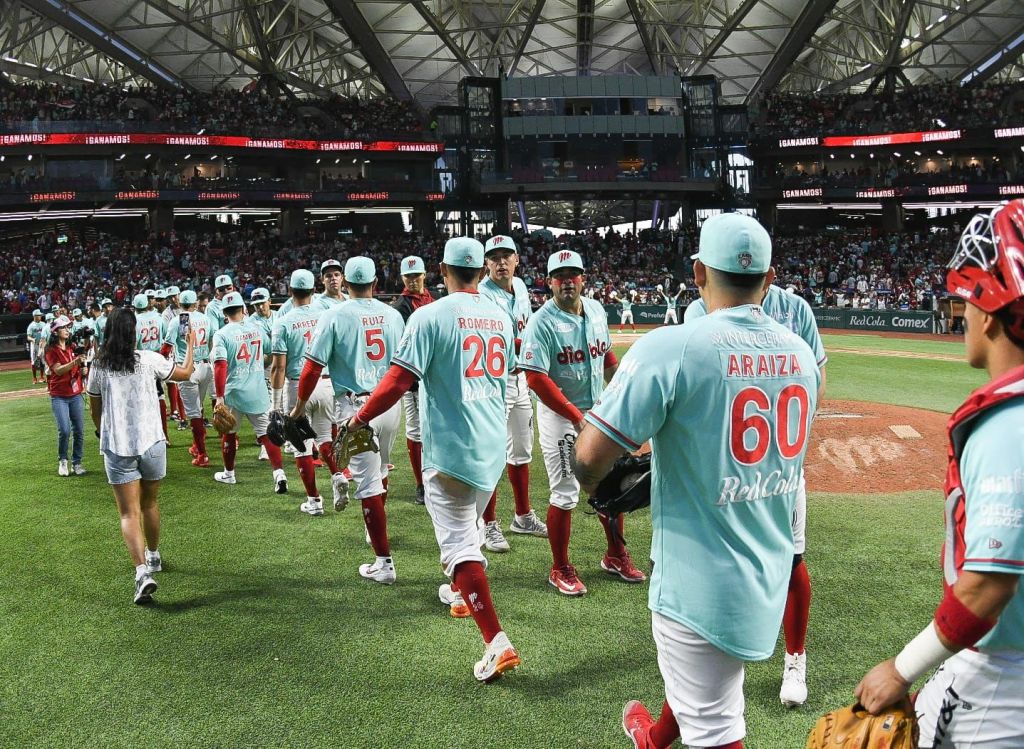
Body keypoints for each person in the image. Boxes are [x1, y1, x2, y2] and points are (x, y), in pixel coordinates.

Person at [573, 212, 820, 749]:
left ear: (699, 272)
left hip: (697, 577)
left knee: (716, 727)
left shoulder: (672, 346)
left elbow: (590, 458)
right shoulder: (802, 353)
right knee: (705, 685)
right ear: (769, 278)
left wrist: (597, 489)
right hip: (769, 567)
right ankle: (653, 737)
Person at [854, 200, 1024, 746]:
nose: (963, 315)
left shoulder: (1008, 425)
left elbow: (987, 586)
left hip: (1004, 685)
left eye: (968, 303)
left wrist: (901, 668)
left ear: (991, 314)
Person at [338, 237, 521, 681]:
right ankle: (459, 594)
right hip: (491, 443)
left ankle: (496, 642)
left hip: (452, 446)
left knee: (459, 546)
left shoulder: (429, 315)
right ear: (481, 270)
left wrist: (359, 418)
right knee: (469, 528)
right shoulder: (500, 314)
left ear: (442, 269)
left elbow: (398, 380)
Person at [685, 267, 828, 708]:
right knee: (724, 558)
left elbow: (817, 378)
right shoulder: (699, 311)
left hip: (779, 465)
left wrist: (793, 443)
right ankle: (728, 654)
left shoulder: (795, 309)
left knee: (793, 558)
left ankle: (795, 658)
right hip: (727, 466)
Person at [520, 249, 644, 596]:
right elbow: (535, 378)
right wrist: (576, 417)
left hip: (597, 410)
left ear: (583, 279)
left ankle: (615, 555)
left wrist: (622, 394)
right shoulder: (541, 322)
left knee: (611, 484)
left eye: (572, 274)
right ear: (549, 283)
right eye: (560, 276)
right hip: (560, 414)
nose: (567, 281)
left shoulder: (596, 310)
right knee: (565, 492)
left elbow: (606, 355)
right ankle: (559, 567)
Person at [293, 257, 403, 582]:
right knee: (381, 471)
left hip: (355, 406)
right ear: (376, 282)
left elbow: (312, 368)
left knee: (367, 484)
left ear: (346, 283)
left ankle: (383, 563)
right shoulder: (393, 315)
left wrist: (299, 407)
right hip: (389, 403)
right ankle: (375, 531)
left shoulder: (334, 314)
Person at [87, 307, 196, 605]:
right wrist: (190, 344)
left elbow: (95, 408)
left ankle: (141, 572)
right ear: (133, 332)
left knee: (128, 513)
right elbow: (185, 373)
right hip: (152, 442)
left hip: (118, 445)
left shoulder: (99, 366)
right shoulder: (149, 359)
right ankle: (154, 555)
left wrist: (102, 431)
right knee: (150, 503)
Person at [478, 234, 548, 548]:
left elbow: (527, 327)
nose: (501, 263)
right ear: (486, 264)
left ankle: (522, 516)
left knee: (521, 450)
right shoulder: (482, 294)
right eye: (494, 258)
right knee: (492, 452)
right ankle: (488, 523)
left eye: (506, 256)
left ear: (517, 259)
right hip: (494, 381)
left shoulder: (519, 286)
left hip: (521, 379)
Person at [271, 269, 347, 516]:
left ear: (290, 291)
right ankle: (337, 475)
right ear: (314, 290)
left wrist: (275, 405)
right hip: (325, 382)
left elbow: (278, 367)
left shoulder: (282, 321)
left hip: (297, 385)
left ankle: (314, 500)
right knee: (325, 438)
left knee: (301, 446)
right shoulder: (326, 315)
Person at [210, 291, 287, 492]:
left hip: (233, 392)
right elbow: (271, 351)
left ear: (224, 313)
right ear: (243, 309)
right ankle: (279, 474)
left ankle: (229, 474)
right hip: (257, 390)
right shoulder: (257, 329)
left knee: (229, 433)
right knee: (266, 435)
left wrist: (219, 397)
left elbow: (220, 366)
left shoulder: (221, 334)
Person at [391, 255, 434, 504]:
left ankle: (435, 477)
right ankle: (420, 484)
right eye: (408, 276)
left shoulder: (434, 299)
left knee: (435, 430)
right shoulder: (400, 307)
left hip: (434, 379)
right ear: (402, 278)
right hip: (414, 381)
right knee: (416, 432)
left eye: (416, 275)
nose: (413, 280)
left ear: (424, 275)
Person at [161, 290, 213, 467]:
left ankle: (202, 454)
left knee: (194, 413)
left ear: (180, 303)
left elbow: (167, 348)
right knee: (199, 407)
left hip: (188, 369)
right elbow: (212, 340)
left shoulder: (180, 320)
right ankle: (196, 445)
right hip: (206, 366)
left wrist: (160, 361)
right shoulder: (205, 318)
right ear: (195, 303)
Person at [45, 315, 88, 476]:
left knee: (79, 430)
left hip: (75, 393)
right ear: (55, 332)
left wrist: (83, 370)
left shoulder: (72, 346)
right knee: (64, 430)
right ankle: (63, 460)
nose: (67, 330)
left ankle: (77, 462)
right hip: (59, 395)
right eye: (63, 328)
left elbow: (78, 368)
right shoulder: (51, 350)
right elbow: (58, 370)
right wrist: (75, 362)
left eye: (68, 327)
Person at [26, 309, 47, 384]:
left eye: (40, 315)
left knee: (43, 361)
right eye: (39, 315)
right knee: (34, 361)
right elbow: (28, 337)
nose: (40, 316)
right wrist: (32, 339)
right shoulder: (31, 325)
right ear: (35, 316)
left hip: (42, 344)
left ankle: (42, 377)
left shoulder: (44, 324)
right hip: (34, 345)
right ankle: (34, 378)